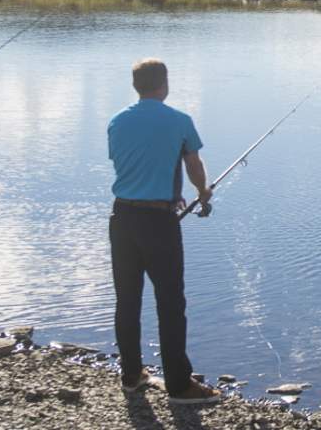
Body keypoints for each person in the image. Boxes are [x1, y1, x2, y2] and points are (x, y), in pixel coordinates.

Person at [107, 58, 221, 404]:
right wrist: (203, 194)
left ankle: (130, 375)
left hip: (122, 218)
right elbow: (193, 165)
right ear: (164, 83)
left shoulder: (117, 121)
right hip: (159, 222)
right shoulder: (180, 121)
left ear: (136, 85)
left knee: (127, 300)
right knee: (170, 303)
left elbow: (125, 163)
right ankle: (178, 385)